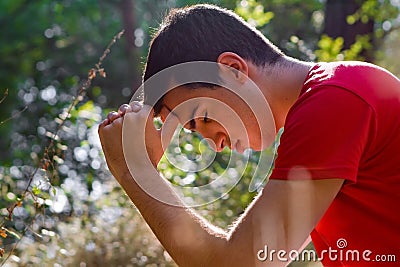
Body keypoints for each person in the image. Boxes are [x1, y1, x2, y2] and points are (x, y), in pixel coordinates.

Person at [98, 4, 400, 267]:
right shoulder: (329, 103)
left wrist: (134, 171)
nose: (215, 144)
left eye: (203, 117)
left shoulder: (335, 100)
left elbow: (238, 263)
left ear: (232, 69)